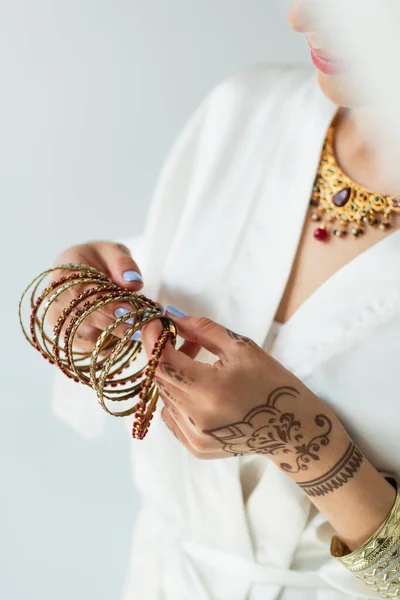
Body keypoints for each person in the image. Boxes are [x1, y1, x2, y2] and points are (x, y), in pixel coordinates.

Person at [50, 1, 400, 599]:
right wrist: (79, 308)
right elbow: (120, 353)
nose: (301, 17)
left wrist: (308, 450)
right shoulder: (246, 112)